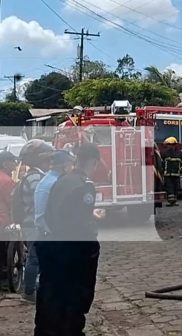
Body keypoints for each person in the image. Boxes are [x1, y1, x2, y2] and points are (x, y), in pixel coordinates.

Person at [35, 143, 105, 336]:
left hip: (53, 245)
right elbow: (81, 225)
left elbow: (58, 212)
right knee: (75, 297)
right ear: (94, 162)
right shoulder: (84, 185)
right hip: (74, 252)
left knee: (51, 296)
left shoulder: (62, 179)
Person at [17, 139, 54, 304]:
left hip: (29, 222)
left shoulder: (32, 176)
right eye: (47, 160)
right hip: (33, 223)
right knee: (34, 257)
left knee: (34, 256)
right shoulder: (36, 178)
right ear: (39, 160)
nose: (49, 163)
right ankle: (29, 291)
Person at [34, 150, 75, 235]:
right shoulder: (57, 182)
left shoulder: (45, 180)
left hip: (43, 231)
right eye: (71, 164)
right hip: (51, 233)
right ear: (65, 165)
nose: (72, 168)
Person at [160, 137, 182, 206]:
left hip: (169, 174)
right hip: (173, 174)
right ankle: (173, 201)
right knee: (173, 187)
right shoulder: (180, 153)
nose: (168, 146)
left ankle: (172, 201)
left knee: (172, 187)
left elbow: (161, 163)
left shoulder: (164, 153)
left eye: (168, 145)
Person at [0, 151, 17, 231]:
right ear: (5, 164)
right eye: (13, 161)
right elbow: (12, 203)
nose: (15, 163)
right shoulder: (7, 181)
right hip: (3, 221)